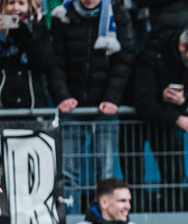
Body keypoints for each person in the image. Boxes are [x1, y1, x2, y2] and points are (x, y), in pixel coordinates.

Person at [49, 0, 136, 212]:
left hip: (105, 106)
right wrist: (62, 96)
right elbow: (55, 61)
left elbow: (124, 60)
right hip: (71, 105)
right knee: (68, 174)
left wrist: (112, 98)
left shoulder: (119, 15)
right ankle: (70, 220)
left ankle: (105, 221)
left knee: (105, 174)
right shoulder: (63, 15)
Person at [131, 24, 188, 212]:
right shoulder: (152, 54)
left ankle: (174, 214)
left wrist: (184, 99)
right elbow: (142, 99)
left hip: (166, 124)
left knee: (174, 175)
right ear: (182, 46)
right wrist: (178, 118)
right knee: (134, 175)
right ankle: (135, 217)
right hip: (139, 123)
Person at [0, 0, 52, 109]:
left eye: (21, 3)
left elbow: (44, 65)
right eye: (11, 2)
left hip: (31, 104)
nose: (15, 8)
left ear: (29, 6)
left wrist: (27, 36)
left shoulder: (38, 28)